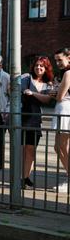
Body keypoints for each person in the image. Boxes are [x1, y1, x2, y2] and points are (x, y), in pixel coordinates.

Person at [20, 56, 54, 188]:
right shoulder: (27, 78)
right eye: (36, 65)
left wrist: (32, 93)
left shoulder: (48, 84)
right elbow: (22, 90)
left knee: (31, 150)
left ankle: (26, 176)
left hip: (35, 121)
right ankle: (21, 178)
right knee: (22, 150)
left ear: (46, 68)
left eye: (42, 66)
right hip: (23, 119)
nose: (38, 68)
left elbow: (47, 99)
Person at [53, 47, 70, 192]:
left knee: (61, 147)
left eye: (60, 59)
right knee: (61, 147)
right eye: (56, 60)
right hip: (64, 111)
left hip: (65, 110)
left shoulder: (68, 73)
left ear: (68, 57)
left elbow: (59, 96)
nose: (57, 63)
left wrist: (55, 92)